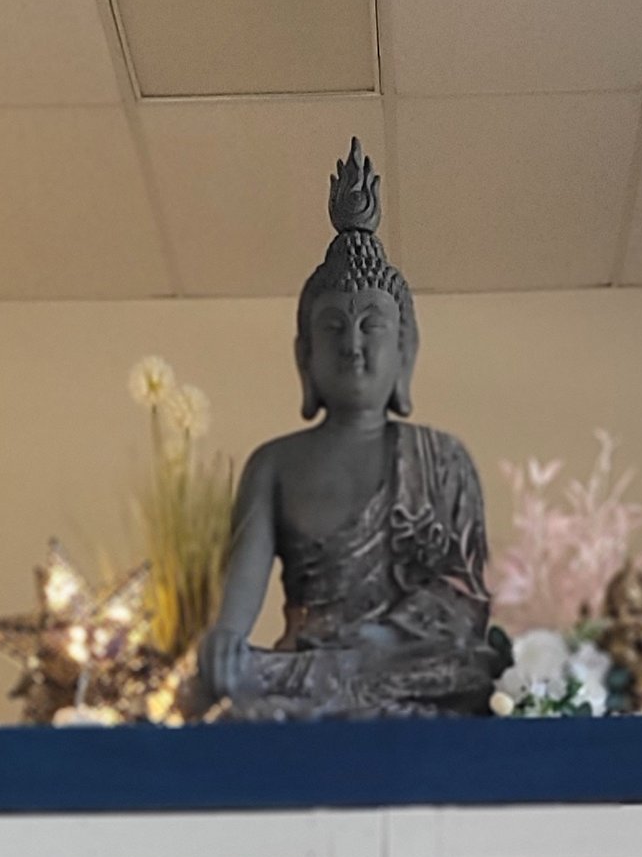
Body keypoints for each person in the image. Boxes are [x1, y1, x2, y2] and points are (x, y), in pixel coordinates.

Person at [194, 145, 507, 724]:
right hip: (305, 664)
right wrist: (226, 639)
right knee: (220, 682)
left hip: (410, 665)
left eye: (373, 326)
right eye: (333, 327)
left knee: (477, 670)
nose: (353, 345)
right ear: (304, 355)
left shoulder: (442, 459)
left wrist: (379, 644)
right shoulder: (274, 464)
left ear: (405, 350)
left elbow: (465, 601)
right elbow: (245, 581)